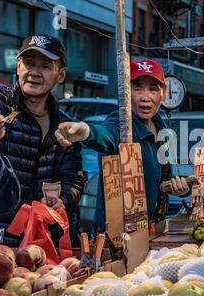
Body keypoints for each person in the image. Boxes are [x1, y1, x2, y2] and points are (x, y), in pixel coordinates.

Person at [55, 59, 190, 233]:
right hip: (120, 238)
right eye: (138, 88)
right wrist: (86, 132)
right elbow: (107, 134)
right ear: (126, 92)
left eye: (153, 88)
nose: (145, 97)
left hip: (152, 230)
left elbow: (161, 180)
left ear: (162, 94)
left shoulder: (161, 129)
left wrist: (180, 189)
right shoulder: (122, 123)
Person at [0, 34, 85, 244]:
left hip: (40, 239)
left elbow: (74, 180)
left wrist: (63, 200)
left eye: (45, 66)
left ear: (61, 75)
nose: (34, 72)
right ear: (18, 66)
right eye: (29, 63)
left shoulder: (65, 127)